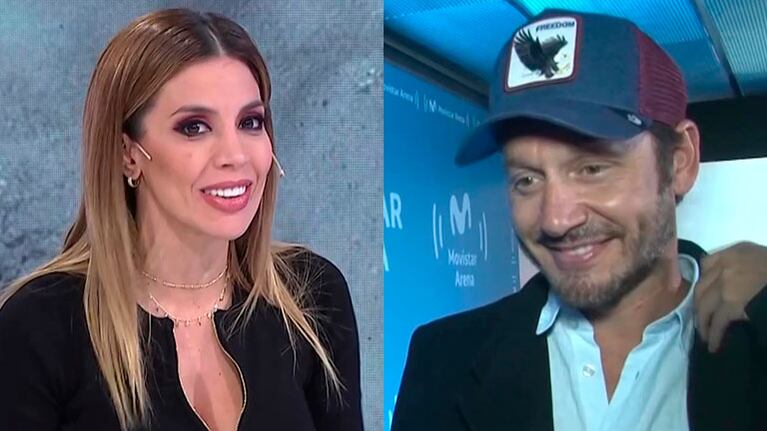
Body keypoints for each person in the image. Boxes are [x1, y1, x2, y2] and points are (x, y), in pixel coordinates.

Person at [392, 9, 767, 431]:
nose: (556, 219)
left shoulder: (756, 340)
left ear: (680, 161)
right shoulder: (443, 361)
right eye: (527, 180)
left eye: (591, 169)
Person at [0, 8, 362, 431]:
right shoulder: (40, 325)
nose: (235, 156)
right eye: (194, 127)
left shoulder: (312, 296)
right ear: (128, 154)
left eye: (250, 122)